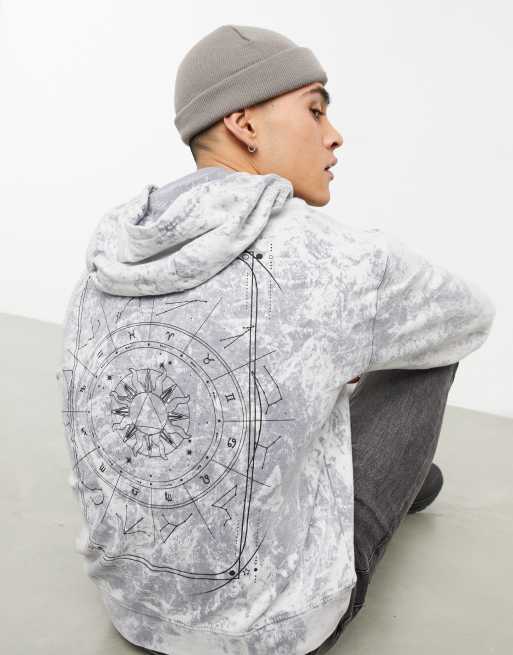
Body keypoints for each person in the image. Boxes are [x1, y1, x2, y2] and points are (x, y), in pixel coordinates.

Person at [57, 24, 496, 655]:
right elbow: (470, 318)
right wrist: (346, 355)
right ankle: (400, 484)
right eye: (315, 110)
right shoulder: (338, 259)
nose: (334, 134)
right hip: (273, 632)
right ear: (244, 124)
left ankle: (398, 469)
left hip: (135, 614)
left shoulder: (110, 257)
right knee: (428, 344)